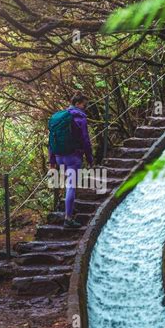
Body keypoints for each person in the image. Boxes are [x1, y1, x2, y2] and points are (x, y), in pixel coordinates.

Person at [48, 91, 94, 228]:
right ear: (77, 104)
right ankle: (68, 219)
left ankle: (70, 208)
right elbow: (86, 141)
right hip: (73, 157)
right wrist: (90, 159)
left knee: (68, 184)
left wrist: (52, 161)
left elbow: (51, 140)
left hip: (59, 156)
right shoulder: (80, 118)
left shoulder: (61, 118)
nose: (85, 107)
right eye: (84, 105)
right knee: (71, 186)